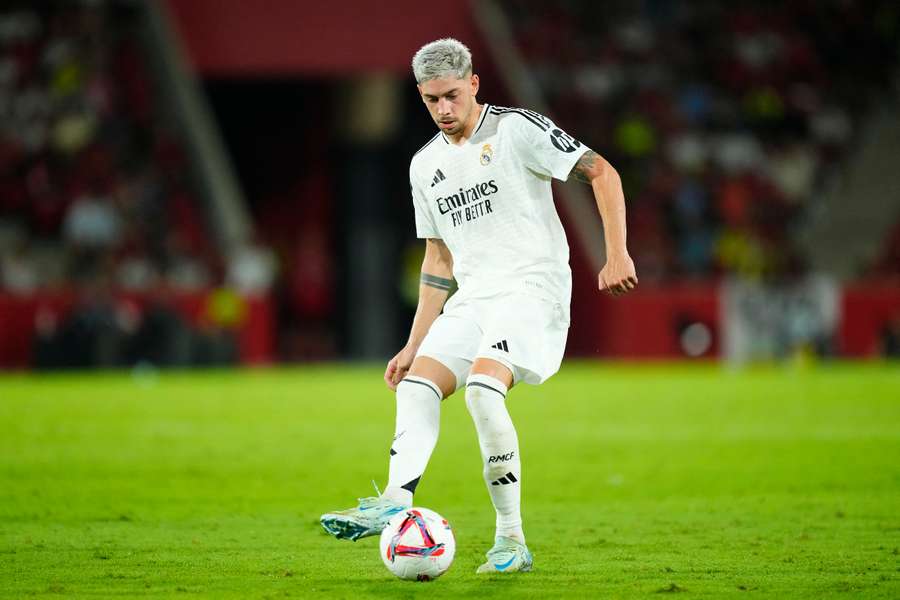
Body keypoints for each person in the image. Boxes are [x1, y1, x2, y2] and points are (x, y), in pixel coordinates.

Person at [321, 38, 637, 574]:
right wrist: (413, 342)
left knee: (484, 394)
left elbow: (603, 172)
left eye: (450, 96)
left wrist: (617, 252)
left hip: (532, 291)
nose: (443, 110)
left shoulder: (518, 129)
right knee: (417, 384)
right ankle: (397, 499)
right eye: (429, 100)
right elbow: (439, 261)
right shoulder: (425, 166)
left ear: (473, 83)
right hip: (474, 299)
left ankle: (511, 540)